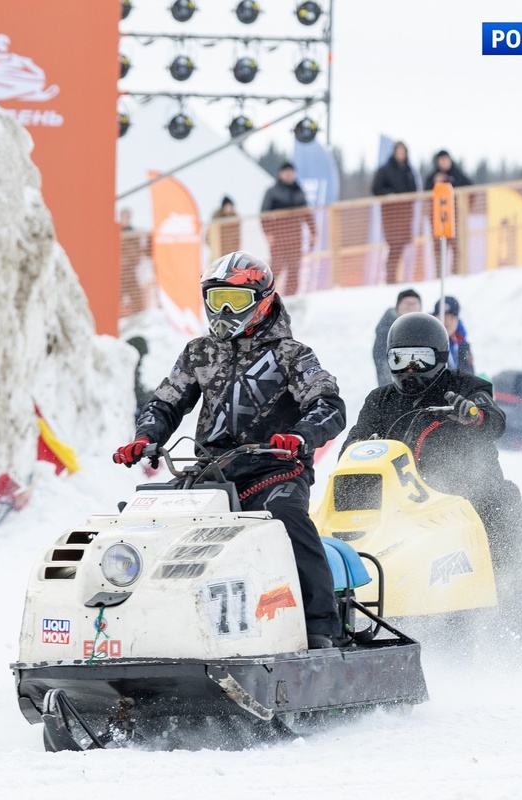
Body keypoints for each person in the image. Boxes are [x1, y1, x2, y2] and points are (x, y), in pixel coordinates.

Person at [113, 251, 348, 649]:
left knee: (287, 518)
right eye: (215, 298)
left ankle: (321, 627)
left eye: (236, 301)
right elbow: (166, 403)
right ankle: (138, 620)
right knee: (143, 518)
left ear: (264, 301)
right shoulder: (198, 353)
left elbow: (329, 405)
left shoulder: (293, 355)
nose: (223, 309)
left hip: (275, 469)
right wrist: (146, 437)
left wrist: (301, 436)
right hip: (210, 472)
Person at [342, 312, 522, 616]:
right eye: (399, 360)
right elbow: (352, 448)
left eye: (418, 360)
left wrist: (473, 416)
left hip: (466, 497)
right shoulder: (380, 400)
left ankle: (512, 604)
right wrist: (359, 448)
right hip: (401, 499)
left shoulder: (468, 387)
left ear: (439, 357)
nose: (409, 370)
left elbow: (494, 421)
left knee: (504, 502)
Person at [260, 162, 317, 296]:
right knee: (275, 269)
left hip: (295, 238)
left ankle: (290, 299)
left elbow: (306, 214)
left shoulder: (298, 191)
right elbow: (264, 216)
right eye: (286, 172)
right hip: (278, 238)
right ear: (281, 174)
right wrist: (268, 233)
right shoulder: (272, 192)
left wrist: (313, 233)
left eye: (291, 172)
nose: (289, 175)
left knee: (294, 270)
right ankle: (264, 297)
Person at [371, 142, 418, 283]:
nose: (401, 154)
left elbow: (414, 191)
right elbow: (376, 189)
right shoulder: (385, 170)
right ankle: (391, 278)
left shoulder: (409, 170)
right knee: (395, 246)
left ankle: (395, 277)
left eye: (403, 151)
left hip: (405, 215)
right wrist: (390, 195)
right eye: (399, 151)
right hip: (391, 215)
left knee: (401, 246)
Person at [372, 288, 422, 387]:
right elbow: (382, 362)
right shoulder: (386, 329)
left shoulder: (425, 327)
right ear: (398, 306)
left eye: (414, 304)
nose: (410, 307)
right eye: (407, 303)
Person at [432, 295, 474, 375]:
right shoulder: (426, 345)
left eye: (452, 317)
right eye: (442, 316)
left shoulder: (463, 345)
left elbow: (470, 375)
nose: (446, 322)